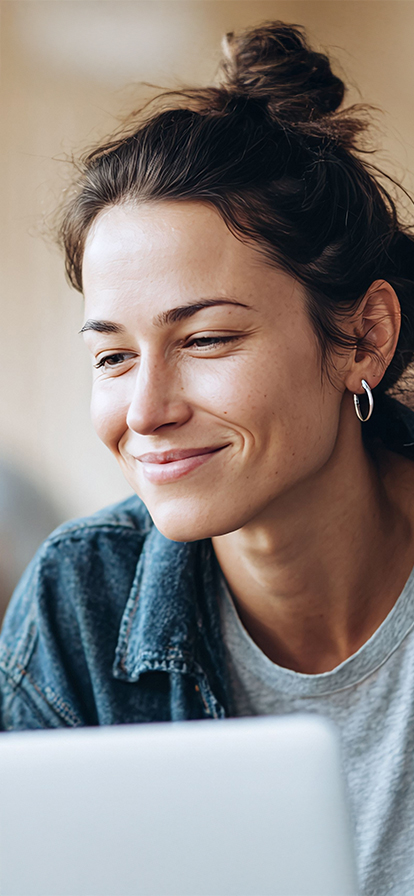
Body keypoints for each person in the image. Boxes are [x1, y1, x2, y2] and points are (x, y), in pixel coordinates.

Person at [1, 19, 414, 894]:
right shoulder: (80, 601)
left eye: (207, 339)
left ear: (364, 338)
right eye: (113, 356)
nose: (146, 411)